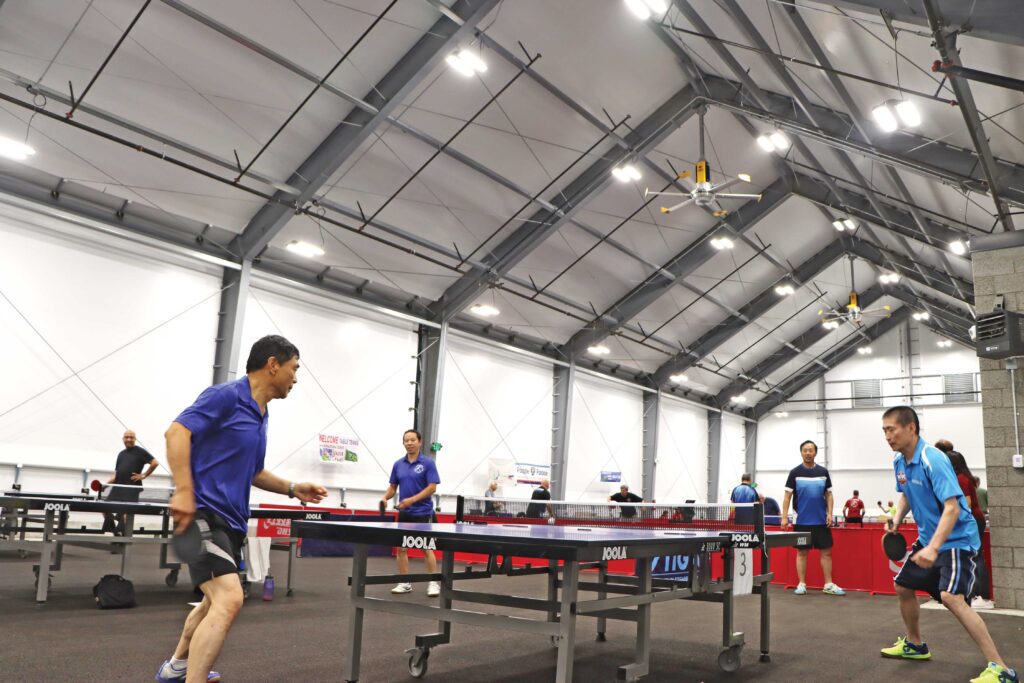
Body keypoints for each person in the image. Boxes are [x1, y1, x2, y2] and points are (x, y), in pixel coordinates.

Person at [156, 335, 328, 683]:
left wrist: (293, 489)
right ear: (272, 364)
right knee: (229, 598)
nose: (296, 379)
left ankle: (175, 668)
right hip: (202, 513)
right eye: (294, 369)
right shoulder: (226, 397)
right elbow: (176, 432)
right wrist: (184, 491)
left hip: (232, 522)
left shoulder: (261, 416)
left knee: (210, 602)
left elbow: (254, 472)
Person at [879, 406, 1017, 683]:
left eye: (891, 429)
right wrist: (896, 519)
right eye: (884, 431)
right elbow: (905, 494)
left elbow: (952, 508)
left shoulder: (933, 459)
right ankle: (915, 644)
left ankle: (1001, 669)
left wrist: (933, 548)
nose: (887, 436)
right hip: (930, 538)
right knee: (903, 585)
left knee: (951, 597)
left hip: (957, 540)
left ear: (911, 428)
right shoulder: (899, 461)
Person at [781, 440, 845, 596]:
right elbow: (787, 496)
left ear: (815, 452)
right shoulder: (794, 473)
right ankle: (802, 584)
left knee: (826, 553)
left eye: (811, 450)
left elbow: (829, 495)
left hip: (821, 521)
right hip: (801, 521)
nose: (808, 453)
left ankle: (828, 584)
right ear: (801, 452)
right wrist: (784, 517)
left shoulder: (823, 472)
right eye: (805, 450)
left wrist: (830, 514)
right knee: (802, 552)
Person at [383, 429, 441, 597]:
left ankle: (433, 582)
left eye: (412, 440)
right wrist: (385, 497)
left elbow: (432, 487)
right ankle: (404, 581)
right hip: (405, 513)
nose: (409, 443)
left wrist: (412, 500)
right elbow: (393, 487)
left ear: (419, 442)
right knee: (401, 548)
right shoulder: (398, 464)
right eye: (406, 440)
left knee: (426, 547)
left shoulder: (428, 463)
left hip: (423, 512)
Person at [946, 451, 994, 609]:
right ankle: (977, 595)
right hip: (975, 519)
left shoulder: (960, 479)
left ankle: (982, 597)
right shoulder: (966, 478)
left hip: (971, 521)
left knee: (977, 557)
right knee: (975, 557)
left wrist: (955, 518)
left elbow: (966, 502)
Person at [102, 429, 160, 536]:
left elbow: (155, 463)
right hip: (118, 488)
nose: (129, 439)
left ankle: (121, 539)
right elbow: (116, 474)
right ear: (123, 439)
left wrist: (143, 475)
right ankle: (116, 533)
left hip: (132, 488)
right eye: (126, 437)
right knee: (104, 509)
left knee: (125, 515)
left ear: (135, 439)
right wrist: (105, 485)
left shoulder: (140, 451)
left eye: (131, 437)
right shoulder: (121, 454)